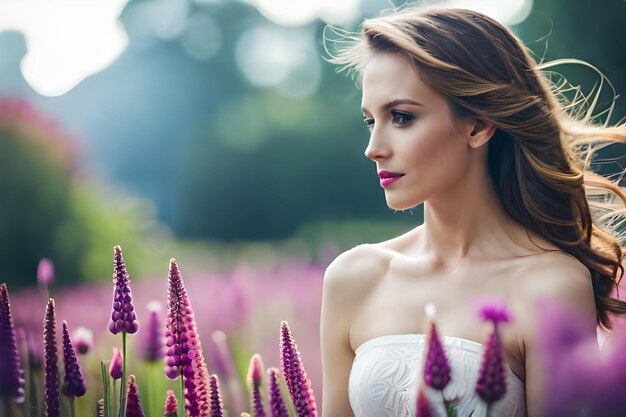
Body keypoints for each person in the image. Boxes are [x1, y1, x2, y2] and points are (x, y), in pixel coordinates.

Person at [320, 6, 626, 417]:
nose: (373, 147)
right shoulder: (353, 278)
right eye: (369, 120)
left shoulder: (550, 286)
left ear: (478, 126)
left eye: (401, 117)